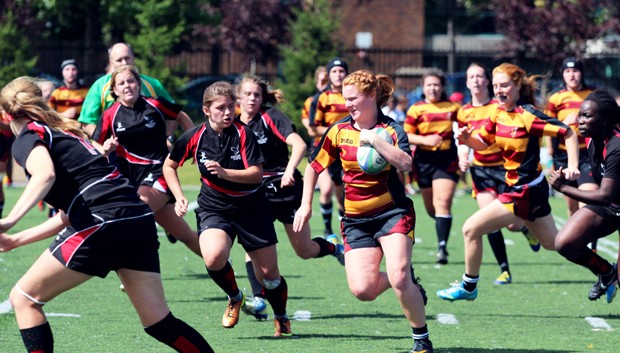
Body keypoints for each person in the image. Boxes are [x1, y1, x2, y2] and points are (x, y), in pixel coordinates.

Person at [0, 76, 214, 353]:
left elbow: (45, 175)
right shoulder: (68, 133)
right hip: (137, 219)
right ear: (41, 102)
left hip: (105, 221)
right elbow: (70, 214)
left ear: (5, 115)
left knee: (24, 299)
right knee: (160, 323)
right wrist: (16, 240)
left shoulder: (29, 136)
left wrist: (9, 219)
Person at [294, 70, 433, 353]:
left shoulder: (393, 129)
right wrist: (306, 204)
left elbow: (405, 163)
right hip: (356, 221)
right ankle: (411, 284)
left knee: (398, 276)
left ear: (371, 96)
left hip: (393, 213)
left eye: (353, 99)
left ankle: (421, 341)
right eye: (346, 99)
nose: (348, 105)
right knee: (363, 291)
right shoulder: (339, 131)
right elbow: (313, 167)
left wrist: (376, 141)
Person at [436, 62, 580, 301]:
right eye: (496, 85)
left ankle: (470, 286)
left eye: (503, 84)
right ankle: (604, 269)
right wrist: (466, 140)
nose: (497, 89)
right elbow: (481, 143)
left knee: (473, 228)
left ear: (516, 86)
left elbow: (567, 131)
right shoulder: (492, 112)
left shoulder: (526, 114)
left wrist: (572, 165)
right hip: (501, 180)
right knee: (553, 243)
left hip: (523, 187)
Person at [162, 81, 292, 337]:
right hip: (215, 207)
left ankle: (281, 315)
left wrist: (224, 172)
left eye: (231, 106)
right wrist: (178, 197)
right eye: (221, 107)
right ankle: (235, 296)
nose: (228, 112)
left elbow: (256, 175)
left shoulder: (245, 134)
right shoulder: (194, 136)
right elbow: (169, 165)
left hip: (252, 208)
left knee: (269, 277)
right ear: (207, 110)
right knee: (212, 257)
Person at [236, 75, 345, 320]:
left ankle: (332, 247)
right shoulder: (234, 124)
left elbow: (298, 145)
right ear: (238, 98)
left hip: (286, 190)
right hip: (256, 193)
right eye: (248, 94)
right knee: (252, 247)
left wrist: (288, 170)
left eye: (257, 94)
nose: (253, 98)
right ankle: (259, 300)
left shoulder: (271, 117)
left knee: (304, 250)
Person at [91, 65, 201, 256]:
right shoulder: (111, 114)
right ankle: (220, 261)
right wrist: (104, 149)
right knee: (182, 233)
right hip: (130, 180)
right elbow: (95, 142)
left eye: (131, 81)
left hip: (160, 172)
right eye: (121, 83)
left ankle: (139, 270)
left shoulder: (154, 105)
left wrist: (195, 146)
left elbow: (181, 116)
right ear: (115, 90)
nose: (127, 86)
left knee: (136, 211)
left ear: (139, 84)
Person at [457, 62, 540, 285]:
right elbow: (464, 140)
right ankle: (504, 269)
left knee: (512, 224)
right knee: (487, 220)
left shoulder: (500, 105)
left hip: (505, 169)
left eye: (479, 76)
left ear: (487, 81)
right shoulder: (463, 111)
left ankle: (523, 228)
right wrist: (463, 155)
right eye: (471, 76)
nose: (475, 80)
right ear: (466, 82)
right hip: (481, 171)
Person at [549, 88, 619, 303]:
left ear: (605, 120)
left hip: (609, 201)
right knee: (564, 242)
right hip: (613, 206)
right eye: (580, 114)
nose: (579, 120)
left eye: (587, 116)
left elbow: (605, 195)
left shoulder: (617, 146)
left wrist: (564, 188)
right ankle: (606, 272)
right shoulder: (591, 140)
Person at [404, 69, 461, 264]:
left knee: (442, 202)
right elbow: (406, 135)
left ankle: (442, 248)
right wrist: (425, 140)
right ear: (423, 87)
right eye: (429, 85)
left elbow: (463, 131)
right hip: (423, 161)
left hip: (447, 160)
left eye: (436, 84)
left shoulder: (454, 108)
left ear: (443, 87)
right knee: (432, 209)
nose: (433, 88)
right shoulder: (416, 109)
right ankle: (441, 233)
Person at [545, 57, 598, 250]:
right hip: (563, 157)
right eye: (567, 71)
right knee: (572, 205)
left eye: (575, 71)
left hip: (588, 155)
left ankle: (592, 245)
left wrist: (582, 118)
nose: (572, 75)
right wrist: (563, 125)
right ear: (562, 74)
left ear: (581, 73)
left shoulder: (592, 94)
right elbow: (548, 127)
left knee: (588, 200)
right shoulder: (555, 99)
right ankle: (577, 241)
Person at [78, 42, 183, 137]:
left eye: (127, 58)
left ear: (133, 58)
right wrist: (104, 141)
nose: (124, 63)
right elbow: (87, 122)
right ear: (111, 62)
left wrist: (166, 137)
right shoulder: (99, 86)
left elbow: (175, 113)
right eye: (119, 60)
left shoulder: (152, 84)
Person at [307, 58, 349, 241]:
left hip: (347, 150)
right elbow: (313, 127)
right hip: (324, 150)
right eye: (334, 71)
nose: (338, 75)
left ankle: (345, 228)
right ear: (329, 74)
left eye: (341, 71)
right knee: (325, 190)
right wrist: (339, 132)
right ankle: (327, 229)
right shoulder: (321, 98)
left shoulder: (352, 95)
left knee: (342, 193)